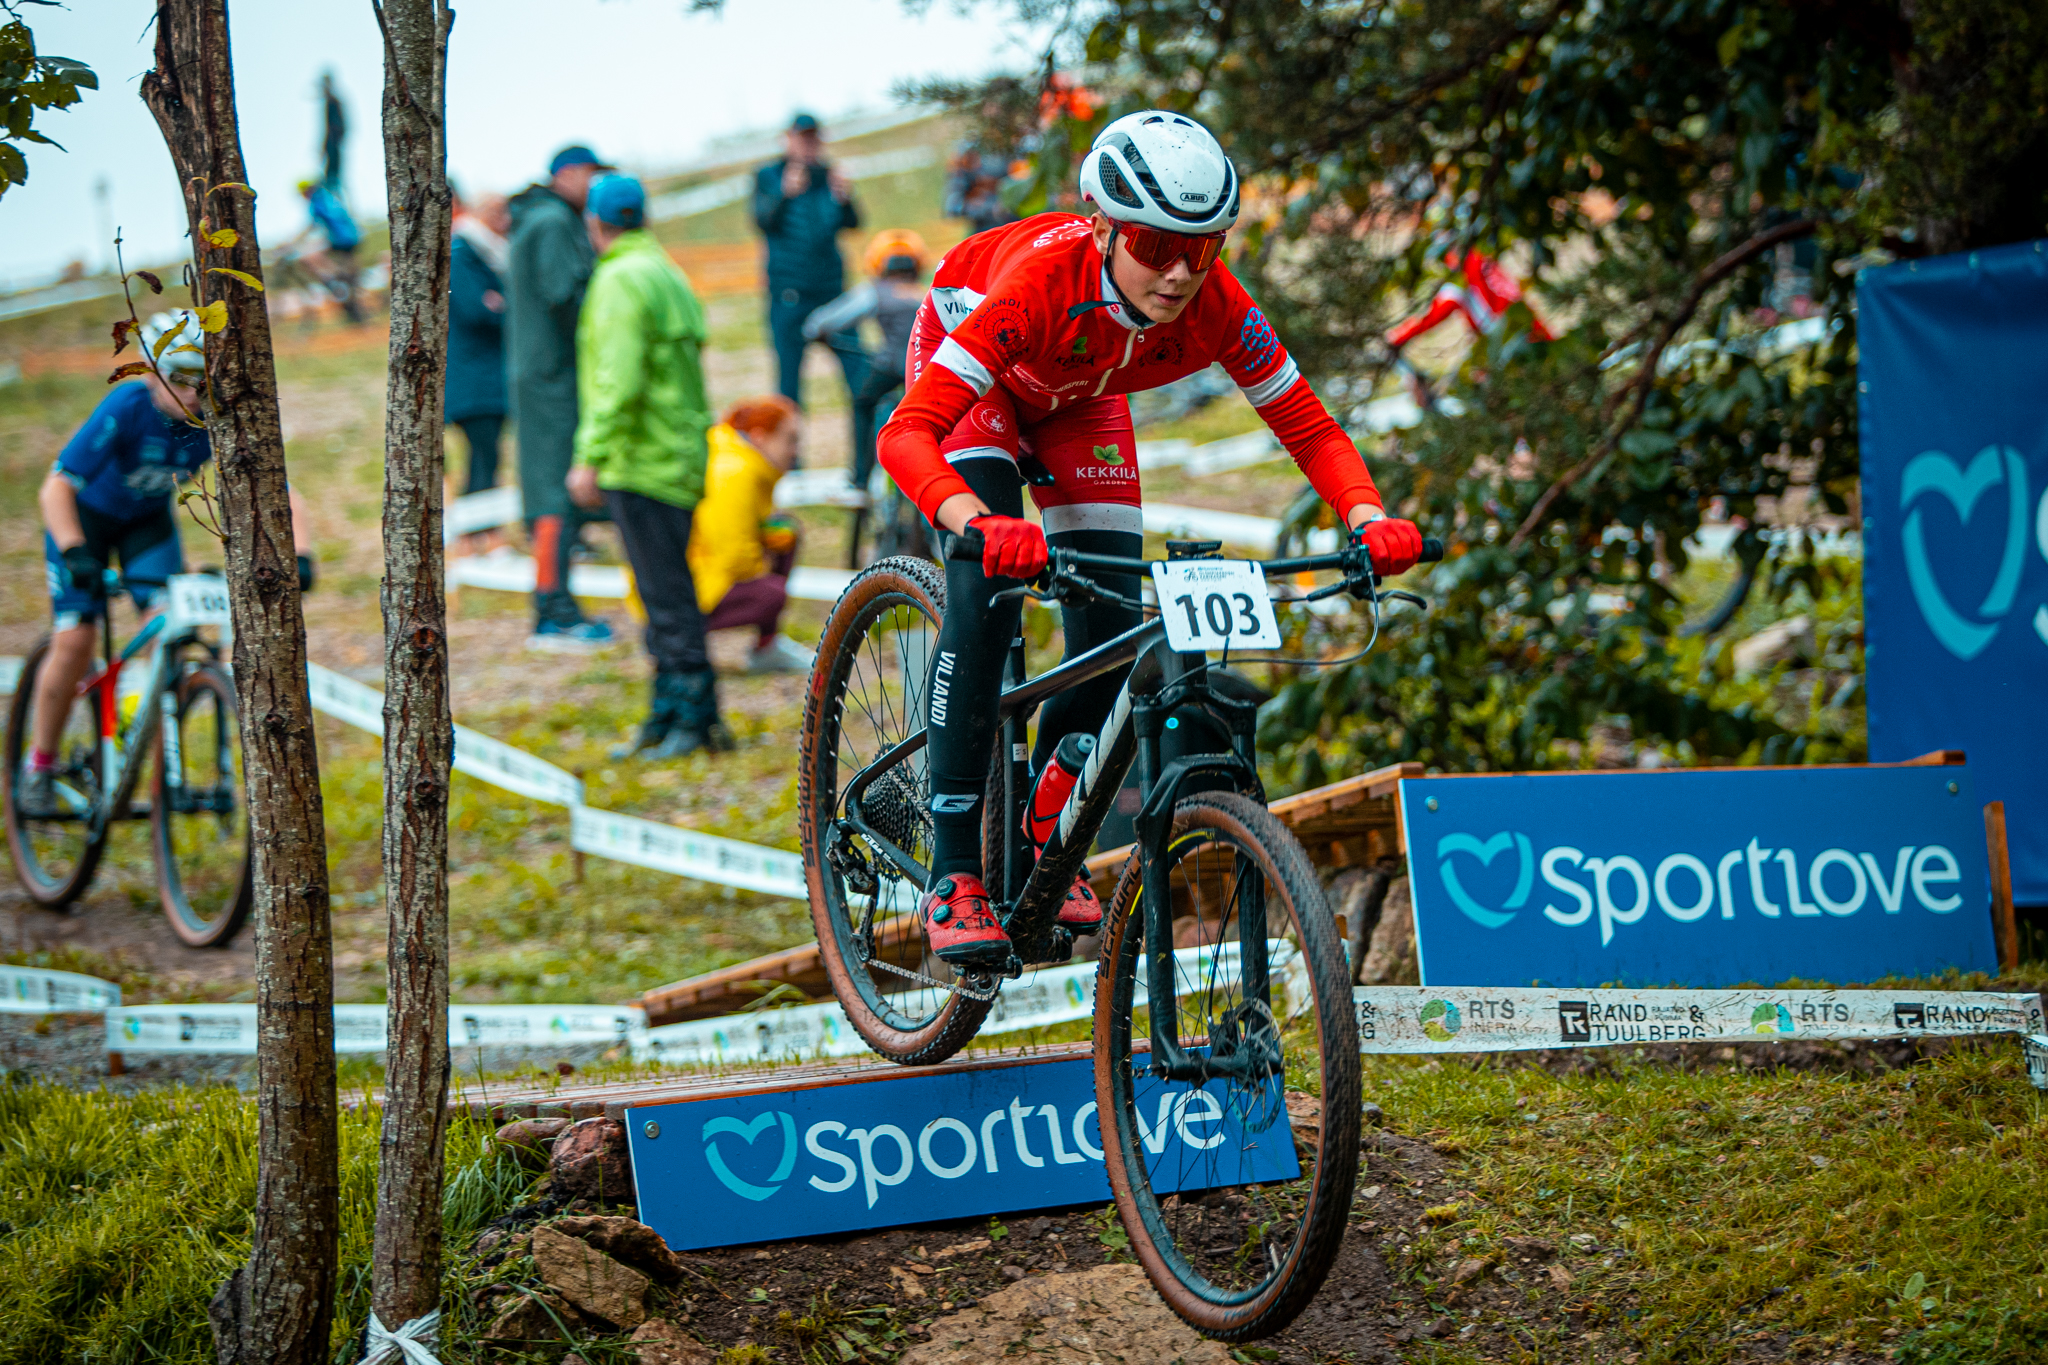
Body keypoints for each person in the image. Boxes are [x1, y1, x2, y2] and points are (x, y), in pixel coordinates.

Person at [878, 110, 1426, 966]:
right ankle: (954, 872)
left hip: (1079, 395)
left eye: (1201, 249)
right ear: (1102, 227)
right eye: (1154, 243)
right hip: (978, 369)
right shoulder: (1038, 284)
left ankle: (1044, 826)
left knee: (1109, 627)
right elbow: (905, 433)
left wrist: (1367, 516)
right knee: (987, 591)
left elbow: (1309, 427)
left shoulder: (1215, 304)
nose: (1178, 273)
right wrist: (976, 521)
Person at [20, 312, 312, 816]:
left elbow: (283, 491)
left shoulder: (212, 418)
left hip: (147, 525)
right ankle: (39, 766)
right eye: (179, 379)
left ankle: (152, 766)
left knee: (166, 635)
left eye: (202, 381)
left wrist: (301, 556)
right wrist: (74, 552)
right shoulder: (128, 407)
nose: (193, 395)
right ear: (151, 373)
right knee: (77, 638)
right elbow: (56, 488)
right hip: (84, 522)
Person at [565, 174, 726, 759]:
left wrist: (590, 456)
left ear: (594, 223)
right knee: (666, 590)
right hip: (678, 456)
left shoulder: (617, 279)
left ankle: (693, 718)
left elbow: (620, 380)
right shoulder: (665, 271)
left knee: (665, 596)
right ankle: (670, 713)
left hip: (641, 460)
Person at [509, 144, 615, 651]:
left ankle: (556, 606)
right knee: (553, 494)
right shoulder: (551, 222)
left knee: (553, 491)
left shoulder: (541, 218)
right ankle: (553, 611)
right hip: (551, 379)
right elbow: (565, 297)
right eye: (592, 175)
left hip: (546, 376)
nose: (595, 187)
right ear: (567, 174)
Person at [687, 396, 813, 675]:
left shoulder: (744, 463)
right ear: (759, 437)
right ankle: (687, 641)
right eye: (790, 440)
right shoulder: (736, 472)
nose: (795, 451)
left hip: (699, 577)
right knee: (771, 593)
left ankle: (767, 645)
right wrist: (763, 564)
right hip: (696, 588)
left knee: (784, 532)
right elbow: (736, 558)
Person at [753, 112, 869, 409]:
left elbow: (854, 223)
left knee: (861, 376)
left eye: (813, 138)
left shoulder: (829, 174)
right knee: (788, 386)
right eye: (802, 138)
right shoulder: (769, 175)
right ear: (788, 139)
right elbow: (762, 221)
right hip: (789, 293)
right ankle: (789, 441)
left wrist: (845, 198)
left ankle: (869, 437)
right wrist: (784, 194)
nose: (808, 144)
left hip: (832, 290)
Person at [802, 228, 928, 494]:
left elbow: (821, 323)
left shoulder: (875, 292)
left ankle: (861, 478)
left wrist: (818, 334)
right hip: (924, 371)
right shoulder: (926, 292)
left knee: (862, 403)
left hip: (889, 368)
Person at [447, 189, 511, 543]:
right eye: (499, 212)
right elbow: (476, 309)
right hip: (474, 382)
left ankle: (483, 532)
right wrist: (501, 306)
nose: (506, 220)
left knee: (486, 456)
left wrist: (501, 303)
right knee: (482, 457)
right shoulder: (464, 253)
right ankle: (477, 533)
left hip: (482, 379)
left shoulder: (485, 252)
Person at [290, 177, 364, 324]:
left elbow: (312, 226)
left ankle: (334, 279)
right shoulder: (328, 197)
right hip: (353, 237)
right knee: (346, 271)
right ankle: (340, 278)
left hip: (340, 239)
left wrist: (292, 243)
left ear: (306, 191)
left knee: (308, 258)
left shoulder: (316, 202)